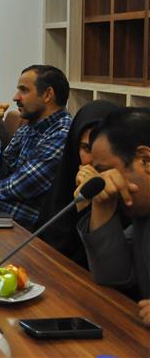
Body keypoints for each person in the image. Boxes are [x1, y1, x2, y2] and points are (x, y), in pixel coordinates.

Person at [76, 107, 150, 327]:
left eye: (106, 170)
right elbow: (113, 276)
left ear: (145, 160)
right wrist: (102, 205)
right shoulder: (142, 214)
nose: (106, 180)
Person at [0, 65, 71, 230]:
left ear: (47, 95)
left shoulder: (62, 134)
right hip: (1, 217)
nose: (15, 97)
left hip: (25, 231)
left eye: (23, 90)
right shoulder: (29, 127)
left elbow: (19, 187)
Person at [37, 100, 119, 267]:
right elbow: (46, 241)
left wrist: (88, 209)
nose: (94, 162)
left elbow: (103, 266)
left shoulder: (132, 195)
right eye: (87, 149)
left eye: (104, 151)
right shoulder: (65, 180)